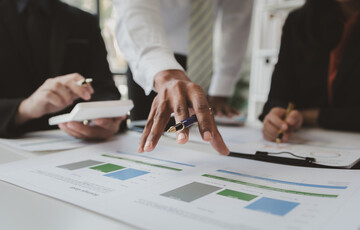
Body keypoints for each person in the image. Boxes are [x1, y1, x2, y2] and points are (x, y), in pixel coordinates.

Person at [114, 0, 253, 155]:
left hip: (204, 61)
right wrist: (164, 73)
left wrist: (221, 88)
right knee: (150, 140)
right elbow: (136, 9)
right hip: (151, 60)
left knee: (198, 138)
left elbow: (237, 19)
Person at [0, 0, 125, 139]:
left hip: (77, 142)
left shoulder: (84, 21)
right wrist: (24, 109)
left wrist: (105, 118)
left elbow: (104, 88)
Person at [260, 0, 360, 142]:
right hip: (307, 147)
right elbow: (277, 100)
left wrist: (309, 116)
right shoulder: (299, 22)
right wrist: (277, 118)